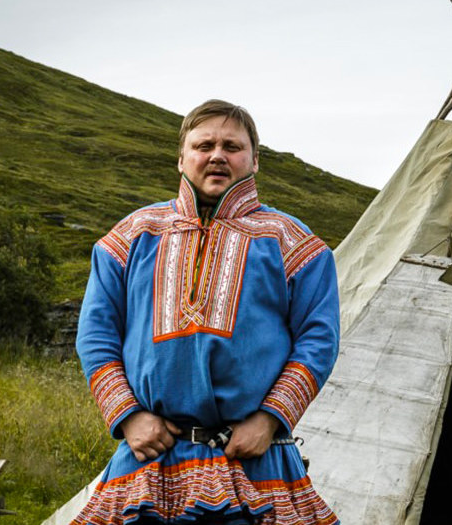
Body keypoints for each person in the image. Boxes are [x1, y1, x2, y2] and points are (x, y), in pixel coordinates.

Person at [72, 100, 340, 525]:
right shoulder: (129, 237)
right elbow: (95, 335)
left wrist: (270, 420)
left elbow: (318, 340)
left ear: (254, 160)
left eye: (232, 146)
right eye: (204, 145)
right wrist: (128, 415)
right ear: (182, 158)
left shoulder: (294, 243)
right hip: (150, 456)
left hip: (255, 457)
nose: (217, 155)